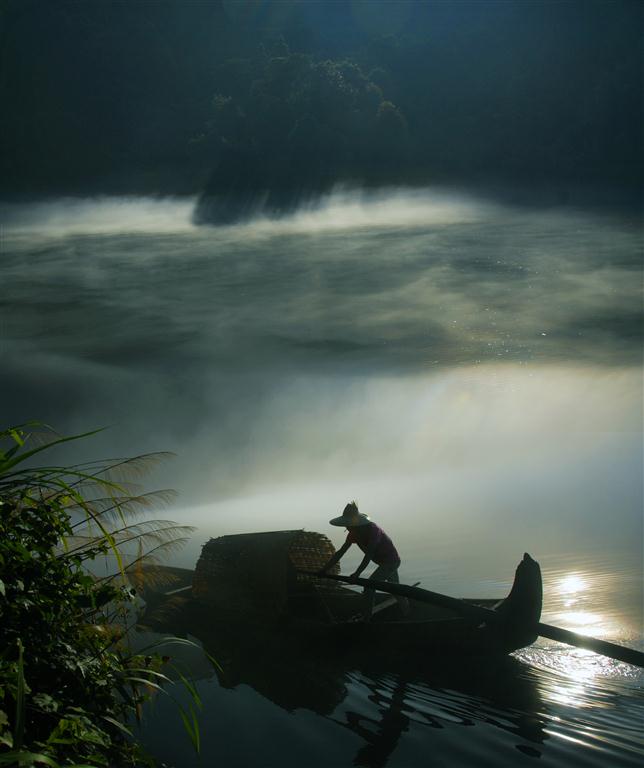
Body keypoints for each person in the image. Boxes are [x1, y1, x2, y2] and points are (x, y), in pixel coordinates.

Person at [319, 501, 408, 622]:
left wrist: (357, 573)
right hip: (382, 563)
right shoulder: (353, 534)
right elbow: (340, 552)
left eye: (348, 524)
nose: (347, 527)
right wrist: (325, 569)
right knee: (396, 589)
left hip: (391, 562)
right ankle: (406, 612)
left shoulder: (373, 531)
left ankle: (367, 618)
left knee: (369, 587)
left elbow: (369, 554)